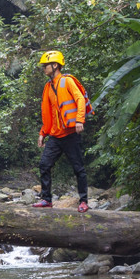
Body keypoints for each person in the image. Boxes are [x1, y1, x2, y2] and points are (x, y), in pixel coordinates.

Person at [32, 50, 89, 213]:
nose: (44, 68)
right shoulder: (48, 87)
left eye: (46, 66)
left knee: (78, 168)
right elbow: (48, 113)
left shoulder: (67, 81)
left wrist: (79, 120)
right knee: (44, 164)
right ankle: (46, 199)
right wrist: (43, 133)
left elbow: (80, 99)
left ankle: (84, 201)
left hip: (70, 134)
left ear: (55, 65)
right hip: (56, 136)